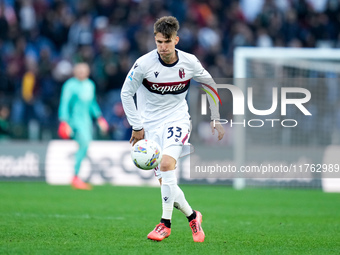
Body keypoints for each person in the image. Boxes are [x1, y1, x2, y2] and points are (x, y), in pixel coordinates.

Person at [121, 16, 225, 242]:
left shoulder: (189, 62)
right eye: (159, 42)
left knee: (167, 165)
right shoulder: (144, 64)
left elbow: (210, 85)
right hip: (150, 127)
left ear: (176, 40)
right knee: (167, 184)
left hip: (177, 120)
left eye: (167, 42)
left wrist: (215, 117)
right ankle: (193, 216)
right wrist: (137, 126)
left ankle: (164, 225)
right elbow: (125, 93)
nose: (163, 47)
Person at [58, 62, 108, 190]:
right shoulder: (70, 85)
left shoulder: (90, 85)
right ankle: (75, 176)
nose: (82, 73)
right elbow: (65, 103)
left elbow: (92, 103)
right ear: (75, 72)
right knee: (84, 143)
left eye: (84, 70)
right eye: (79, 70)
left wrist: (99, 118)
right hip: (74, 121)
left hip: (86, 121)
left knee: (85, 145)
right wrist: (64, 122)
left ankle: (76, 175)